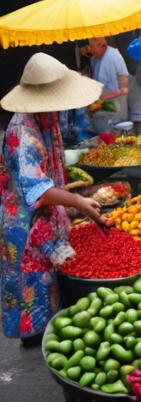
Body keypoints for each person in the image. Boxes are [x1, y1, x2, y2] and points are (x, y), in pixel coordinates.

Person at [0, 53, 112, 342]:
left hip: (45, 214)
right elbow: (37, 190)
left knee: (47, 278)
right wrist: (77, 202)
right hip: (25, 221)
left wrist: (71, 205)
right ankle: (36, 337)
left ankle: (47, 328)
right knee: (31, 280)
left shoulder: (45, 116)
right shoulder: (23, 133)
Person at [81, 37, 130, 127]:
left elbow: (125, 87)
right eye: (88, 47)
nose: (90, 50)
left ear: (102, 44)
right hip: (100, 108)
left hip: (116, 106)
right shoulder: (94, 58)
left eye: (91, 47)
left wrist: (112, 94)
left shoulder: (114, 56)